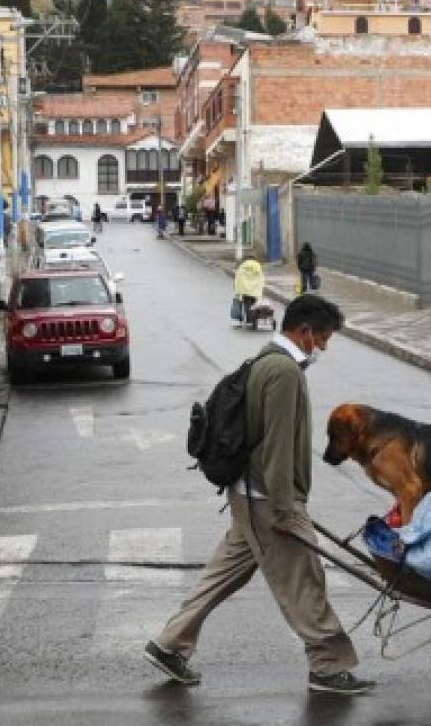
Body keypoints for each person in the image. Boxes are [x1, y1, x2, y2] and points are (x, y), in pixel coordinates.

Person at [145, 294, 374, 695]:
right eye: (322, 337)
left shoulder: (267, 361)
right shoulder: (283, 372)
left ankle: (169, 645)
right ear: (303, 331)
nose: (323, 346)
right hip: (269, 499)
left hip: (248, 495)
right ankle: (327, 666)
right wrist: (285, 510)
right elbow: (278, 445)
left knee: (224, 574)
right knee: (304, 579)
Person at [233, 256, 264, 325]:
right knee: (253, 304)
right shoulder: (257, 266)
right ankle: (252, 319)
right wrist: (260, 288)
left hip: (244, 290)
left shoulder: (242, 267)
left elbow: (238, 279)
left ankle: (249, 320)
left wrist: (237, 290)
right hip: (254, 290)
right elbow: (261, 279)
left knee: (247, 304)